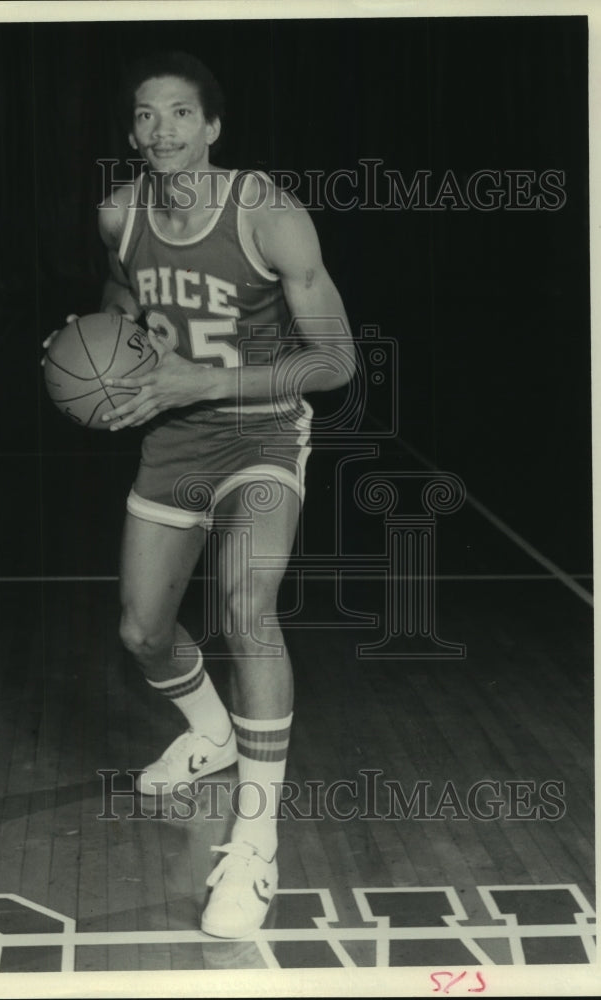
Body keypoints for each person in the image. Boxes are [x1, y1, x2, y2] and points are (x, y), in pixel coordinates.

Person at [59, 50, 355, 939]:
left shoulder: (267, 214)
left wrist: (201, 383)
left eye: (180, 114)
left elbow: (334, 362)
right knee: (142, 629)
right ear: (131, 131)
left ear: (213, 127)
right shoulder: (119, 212)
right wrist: (106, 358)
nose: (162, 131)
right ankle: (210, 732)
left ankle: (255, 839)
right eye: (146, 116)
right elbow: (122, 296)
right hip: (172, 438)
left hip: (261, 430)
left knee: (245, 608)